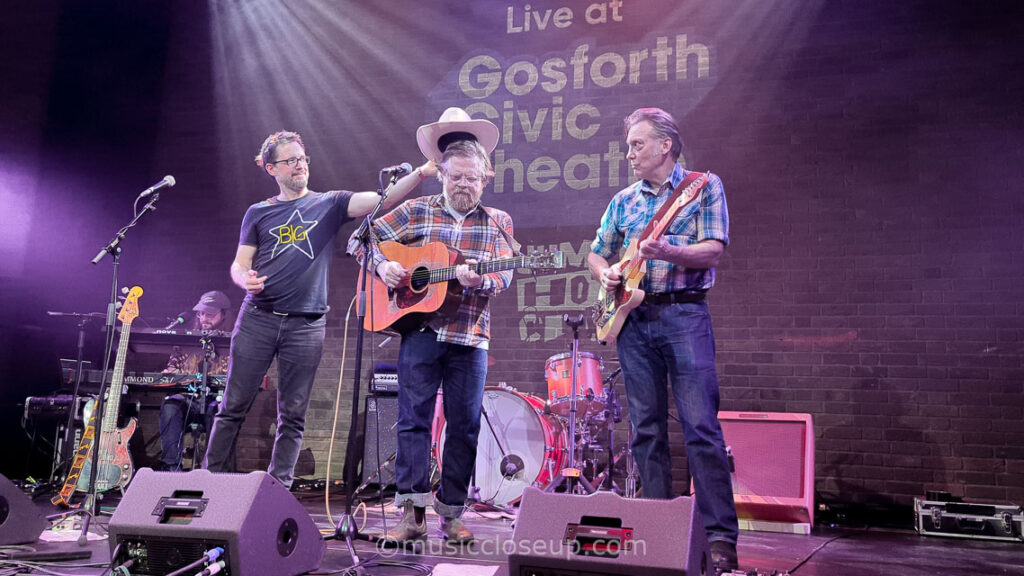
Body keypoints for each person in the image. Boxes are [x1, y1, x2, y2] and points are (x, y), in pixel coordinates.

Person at [203, 130, 430, 489]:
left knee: (292, 415)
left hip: (305, 326)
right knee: (232, 407)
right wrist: (243, 278)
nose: (299, 166)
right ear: (271, 168)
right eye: (290, 160)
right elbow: (239, 263)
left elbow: (380, 200)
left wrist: (419, 174)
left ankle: (277, 492)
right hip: (257, 319)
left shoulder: (329, 203)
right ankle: (208, 484)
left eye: (302, 159)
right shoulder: (259, 212)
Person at [348, 108, 512, 544]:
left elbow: (507, 274)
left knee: (464, 426)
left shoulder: (498, 222)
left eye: (472, 179)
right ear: (441, 174)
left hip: (470, 336)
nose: (464, 185)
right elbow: (359, 238)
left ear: (486, 177)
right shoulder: (417, 210)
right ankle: (412, 514)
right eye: (456, 177)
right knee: (412, 421)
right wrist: (383, 267)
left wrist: (484, 279)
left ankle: (452, 515)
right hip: (420, 332)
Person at [587, 107, 739, 573]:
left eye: (637, 144)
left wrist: (668, 250)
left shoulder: (702, 187)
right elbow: (596, 253)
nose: (629, 153)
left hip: (684, 315)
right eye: (629, 144)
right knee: (646, 430)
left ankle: (718, 538)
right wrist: (607, 271)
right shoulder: (623, 200)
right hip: (635, 321)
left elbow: (713, 249)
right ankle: (656, 528)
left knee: (700, 428)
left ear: (664, 146)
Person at [158, 290, 233, 472]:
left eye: (210, 314)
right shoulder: (184, 340)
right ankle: (171, 471)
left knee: (218, 410)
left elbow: (234, 376)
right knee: (170, 406)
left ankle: (214, 472)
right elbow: (172, 369)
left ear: (224, 315)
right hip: (187, 399)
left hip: (215, 400)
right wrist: (169, 373)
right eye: (201, 313)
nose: (204, 318)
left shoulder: (232, 342)